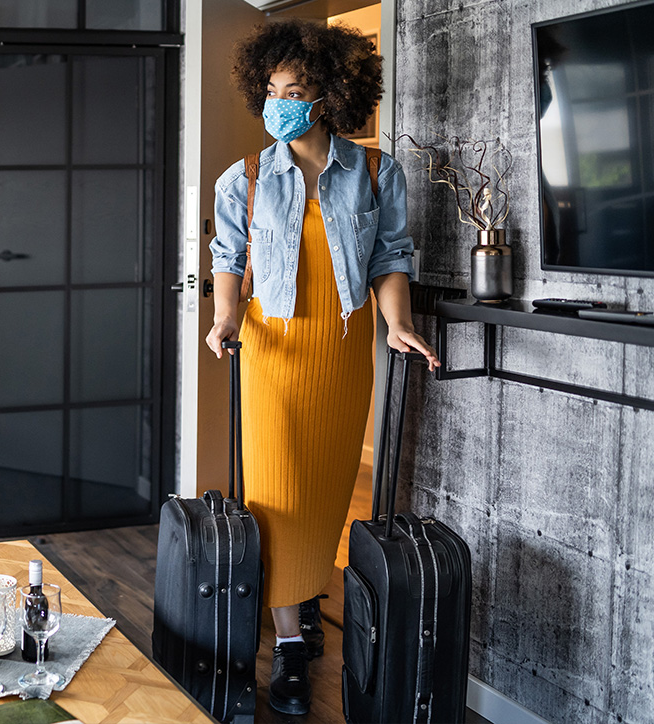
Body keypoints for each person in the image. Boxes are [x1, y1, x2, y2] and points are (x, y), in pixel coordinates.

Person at [205, 19, 439, 716]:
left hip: (339, 357)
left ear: (329, 94)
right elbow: (228, 261)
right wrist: (222, 320)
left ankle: (301, 603)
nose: (281, 102)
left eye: (296, 90)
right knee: (275, 501)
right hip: (271, 354)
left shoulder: (374, 171)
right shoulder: (243, 178)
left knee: (325, 498)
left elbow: (391, 258)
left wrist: (397, 324)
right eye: (272, 90)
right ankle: (290, 648)